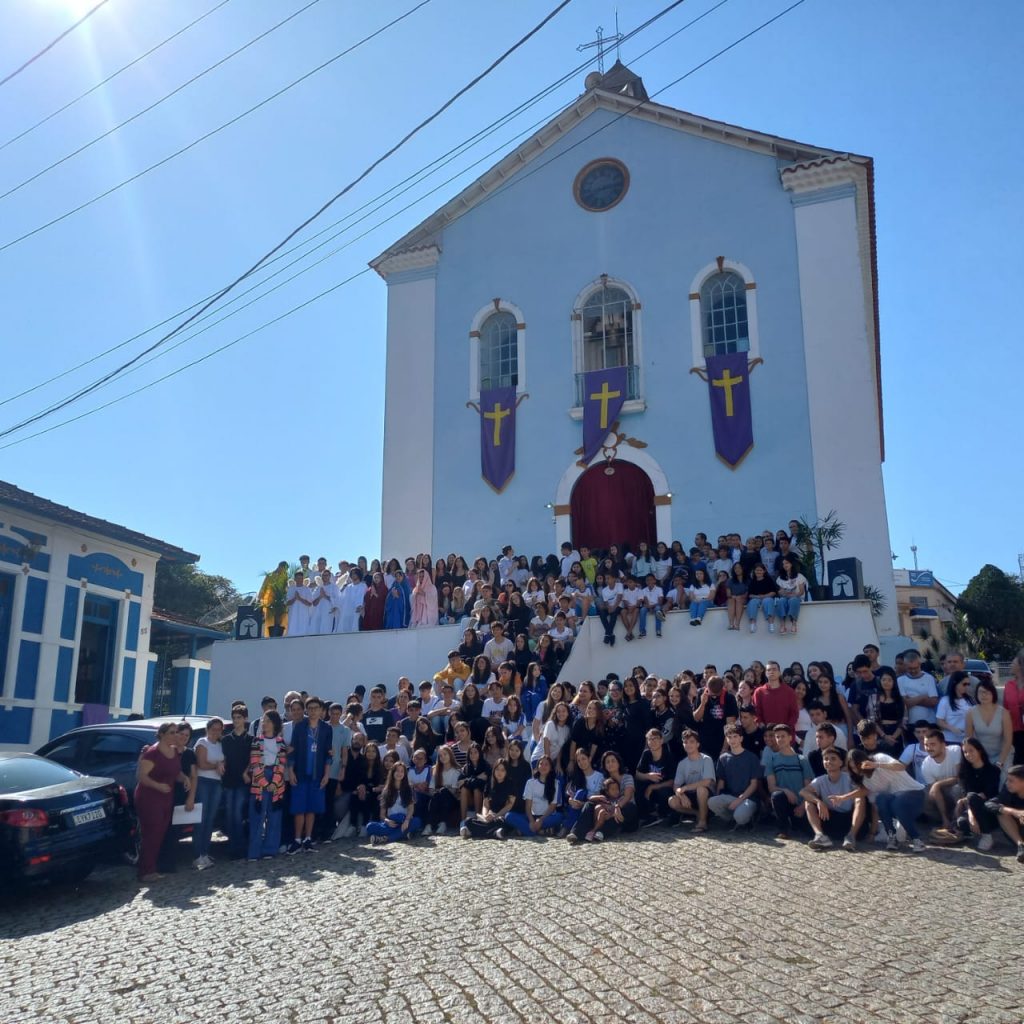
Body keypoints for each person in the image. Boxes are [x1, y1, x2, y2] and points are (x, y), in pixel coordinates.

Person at [134, 723, 187, 882]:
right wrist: (157, 786)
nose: (175, 735)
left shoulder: (174, 751)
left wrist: (185, 779)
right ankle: (145, 871)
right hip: (149, 796)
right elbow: (142, 776)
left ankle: (151, 868)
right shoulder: (152, 753)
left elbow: (175, 772)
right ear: (162, 734)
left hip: (166, 796)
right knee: (151, 833)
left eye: (176, 732)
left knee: (160, 833)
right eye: (172, 732)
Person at [847, 748, 927, 851]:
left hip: (915, 794)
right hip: (896, 802)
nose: (856, 770)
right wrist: (842, 798)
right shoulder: (866, 781)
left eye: (857, 766)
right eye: (853, 768)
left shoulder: (879, 758)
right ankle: (892, 837)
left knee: (897, 803)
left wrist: (876, 765)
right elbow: (870, 800)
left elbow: (901, 766)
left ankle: (916, 839)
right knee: (881, 799)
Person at [286, 697, 333, 853]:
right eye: (310, 708)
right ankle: (297, 839)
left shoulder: (326, 729)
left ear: (321, 710)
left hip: (317, 774)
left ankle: (308, 839)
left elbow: (328, 753)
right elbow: (291, 751)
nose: (313, 711)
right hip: (300, 773)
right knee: (299, 808)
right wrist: (291, 771)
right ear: (307, 710)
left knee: (312, 808)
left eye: (316, 708)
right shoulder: (300, 727)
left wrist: (327, 774)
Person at [800, 748, 866, 851]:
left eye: (833, 759)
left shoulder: (849, 778)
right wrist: (819, 802)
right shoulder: (820, 780)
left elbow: (863, 791)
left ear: (841, 763)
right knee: (809, 802)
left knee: (860, 799)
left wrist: (844, 798)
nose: (829, 761)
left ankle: (851, 836)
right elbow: (803, 792)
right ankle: (820, 836)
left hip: (848, 820)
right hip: (829, 818)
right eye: (826, 759)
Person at [567, 751, 637, 842]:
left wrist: (617, 807)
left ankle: (601, 832)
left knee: (630, 807)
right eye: (607, 762)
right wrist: (586, 802)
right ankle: (576, 833)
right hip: (608, 813)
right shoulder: (604, 780)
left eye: (613, 761)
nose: (610, 763)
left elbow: (628, 796)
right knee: (589, 804)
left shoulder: (627, 777)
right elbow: (597, 797)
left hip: (626, 814)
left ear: (618, 763)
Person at [247, 711, 288, 861]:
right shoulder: (257, 741)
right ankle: (254, 851)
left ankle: (270, 849)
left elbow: (282, 763)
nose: (265, 723)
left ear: (275, 723)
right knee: (257, 816)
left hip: (276, 780)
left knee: (274, 816)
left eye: (268, 721)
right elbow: (255, 762)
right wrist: (264, 782)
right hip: (260, 780)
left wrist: (274, 782)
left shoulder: (281, 742)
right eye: (264, 720)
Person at [763, 724, 812, 839]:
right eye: (777, 737)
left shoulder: (802, 760)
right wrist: (785, 790)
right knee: (777, 796)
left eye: (783, 736)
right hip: (784, 801)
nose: (780, 739)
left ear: (791, 737)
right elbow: (771, 787)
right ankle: (783, 829)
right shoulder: (772, 760)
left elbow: (809, 787)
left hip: (801, 805)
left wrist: (802, 806)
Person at [709, 725, 761, 830]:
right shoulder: (723, 758)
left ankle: (747, 818)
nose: (732, 740)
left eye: (735, 736)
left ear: (741, 738)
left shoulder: (751, 757)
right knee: (712, 802)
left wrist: (740, 800)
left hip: (748, 798)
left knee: (740, 817)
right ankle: (731, 819)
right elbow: (721, 781)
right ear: (726, 740)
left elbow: (754, 784)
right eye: (729, 737)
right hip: (731, 796)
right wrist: (719, 796)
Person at [192, 716, 226, 870]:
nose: (216, 732)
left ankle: (205, 852)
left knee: (210, 819)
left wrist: (221, 766)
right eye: (213, 729)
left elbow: (223, 762)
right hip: (204, 782)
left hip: (217, 783)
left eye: (219, 730)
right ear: (208, 729)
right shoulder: (202, 742)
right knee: (201, 818)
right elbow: (202, 764)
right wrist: (217, 766)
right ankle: (197, 854)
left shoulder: (220, 744)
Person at [502, 755, 563, 838]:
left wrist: (541, 820)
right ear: (537, 767)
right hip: (532, 817)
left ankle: (527, 830)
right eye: (541, 764)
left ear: (551, 768)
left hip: (547, 817)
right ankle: (536, 831)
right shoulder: (530, 783)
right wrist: (531, 821)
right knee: (509, 816)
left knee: (559, 817)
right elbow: (528, 806)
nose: (543, 766)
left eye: (546, 764)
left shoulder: (556, 783)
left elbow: (552, 807)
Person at [667, 730, 715, 831]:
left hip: (707, 798)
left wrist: (685, 788)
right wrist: (681, 795)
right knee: (672, 801)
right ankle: (697, 814)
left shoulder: (706, 759)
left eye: (692, 742)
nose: (688, 745)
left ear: (698, 744)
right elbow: (676, 785)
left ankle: (702, 823)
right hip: (690, 798)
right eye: (686, 742)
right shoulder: (682, 763)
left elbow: (707, 782)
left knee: (701, 789)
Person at [221, 705, 253, 860]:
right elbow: (224, 759)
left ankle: (240, 847)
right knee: (229, 814)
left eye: (239, 717)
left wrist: (246, 772)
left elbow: (253, 759)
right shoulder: (226, 739)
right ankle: (232, 846)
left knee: (238, 813)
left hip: (242, 781)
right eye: (234, 718)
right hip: (228, 780)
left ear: (245, 718)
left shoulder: (250, 740)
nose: (236, 721)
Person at [461, 758, 517, 839]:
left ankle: (473, 832)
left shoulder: (511, 784)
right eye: (497, 769)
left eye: (502, 770)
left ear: (506, 772)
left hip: (502, 816)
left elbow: (509, 805)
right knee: (468, 821)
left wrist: (496, 816)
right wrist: (485, 816)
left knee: (500, 822)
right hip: (490, 816)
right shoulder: (489, 784)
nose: (499, 772)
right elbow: (485, 805)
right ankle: (494, 833)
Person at [366, 762, 421, 844]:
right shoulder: (386, 791)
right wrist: (387, 821)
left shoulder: (409, 789)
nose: (399, 773)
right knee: (369, 827)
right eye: (397, 771)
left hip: (404, 820)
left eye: (402, 771)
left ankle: (386, 839)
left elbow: (410, 809)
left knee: (417, 821)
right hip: (392, 822)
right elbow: (382, 815)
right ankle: (403, 834)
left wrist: (407, 820)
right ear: (392, 773)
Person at [965, 679, 1013, 770]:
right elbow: (969, 740)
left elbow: (1008, 740)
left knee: (1002, 781)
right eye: (981, 692)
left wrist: (1000, 763)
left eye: (987, 692)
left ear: (993, 693)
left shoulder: (1004, 713)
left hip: (1003, 754)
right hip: (980, 755)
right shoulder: (970, 713)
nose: (984, 695)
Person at [920, 729, 962, 830]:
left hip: (957, 789)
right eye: (926, 745)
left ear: (943, 744)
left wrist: (938, 784)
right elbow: (935, 792)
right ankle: (945, 820)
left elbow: (959, 778)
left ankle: (959, 820)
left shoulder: (955, 751)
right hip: (942, 794)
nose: (929, 748)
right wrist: (944, 818)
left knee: (957, 789)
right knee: (923, 795)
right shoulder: (926, 764)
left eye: (933, 744)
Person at [635, 728, 678, 821]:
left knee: (664, 791)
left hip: (664, 788)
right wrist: (647, 776)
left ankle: (663, 813)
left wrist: (653, 787)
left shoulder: (668, 756)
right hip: (649, 787)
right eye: (650, 739)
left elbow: (672, 782)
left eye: (655, 738)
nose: (652, 741)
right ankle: (646, 814)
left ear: (661, 740)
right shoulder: (646, 754)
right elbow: (637, 774)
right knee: (638, 785)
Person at [693, 675, 738, 762]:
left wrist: (724, 749)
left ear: (722, 688)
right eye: (711, 693)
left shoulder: (729, 698)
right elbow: (696, 718)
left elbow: (730, 726)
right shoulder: (701, 693)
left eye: (717, 694)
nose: (714, 696)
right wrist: (702, 704)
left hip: (721, 741)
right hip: (703, 743)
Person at [987, 765, 1024, 863]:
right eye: (1007, 780)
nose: (1007, 783)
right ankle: (1021, 846)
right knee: (1001, 812)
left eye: (1011, 781)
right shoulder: (1008, 791)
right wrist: (1014, 812)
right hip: (1016, 831)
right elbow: (989, 804)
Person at [753, 661, 798, 733]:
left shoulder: (790, 692)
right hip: (766, 736)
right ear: (765, 673)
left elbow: (794, 713)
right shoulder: (759, 692)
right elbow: (756, 713)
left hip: (786, 736)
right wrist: (763, 727)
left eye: (774, 669)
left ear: (779, 673)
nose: (771, 672)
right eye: (769, 670)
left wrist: (786, 728)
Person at [896, 650, 939, 725]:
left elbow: (933, 702)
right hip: (910, 723)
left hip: (929, 722)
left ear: (920, 664)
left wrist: (911, 699)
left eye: (915, 668)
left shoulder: (929, 678)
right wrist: (923, 697)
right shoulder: (900, 680)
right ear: (905, 665)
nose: (913, 671)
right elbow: (904, 704)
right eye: (910, 668)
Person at [936, 672, 973, 745]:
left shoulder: (970, 700)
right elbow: (939, 721)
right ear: (955, 684)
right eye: (964, 684)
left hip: (967, 740)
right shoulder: (945, 701)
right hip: (950, 740)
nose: (967, 687)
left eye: (968, 684)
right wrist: (952, 728)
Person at [774, 556, 807, 635]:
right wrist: (784, 593)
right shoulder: (780, 578)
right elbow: (780, 591)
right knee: (781, 601)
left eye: (787, 563)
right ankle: (782, 625)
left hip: (797, 597)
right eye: (783, 564)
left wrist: (793, 595)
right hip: (785, 598)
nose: (785, 565)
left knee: (793, 600)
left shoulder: (799, 576)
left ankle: (794, 624)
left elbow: (801, 591)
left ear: (791, 564)